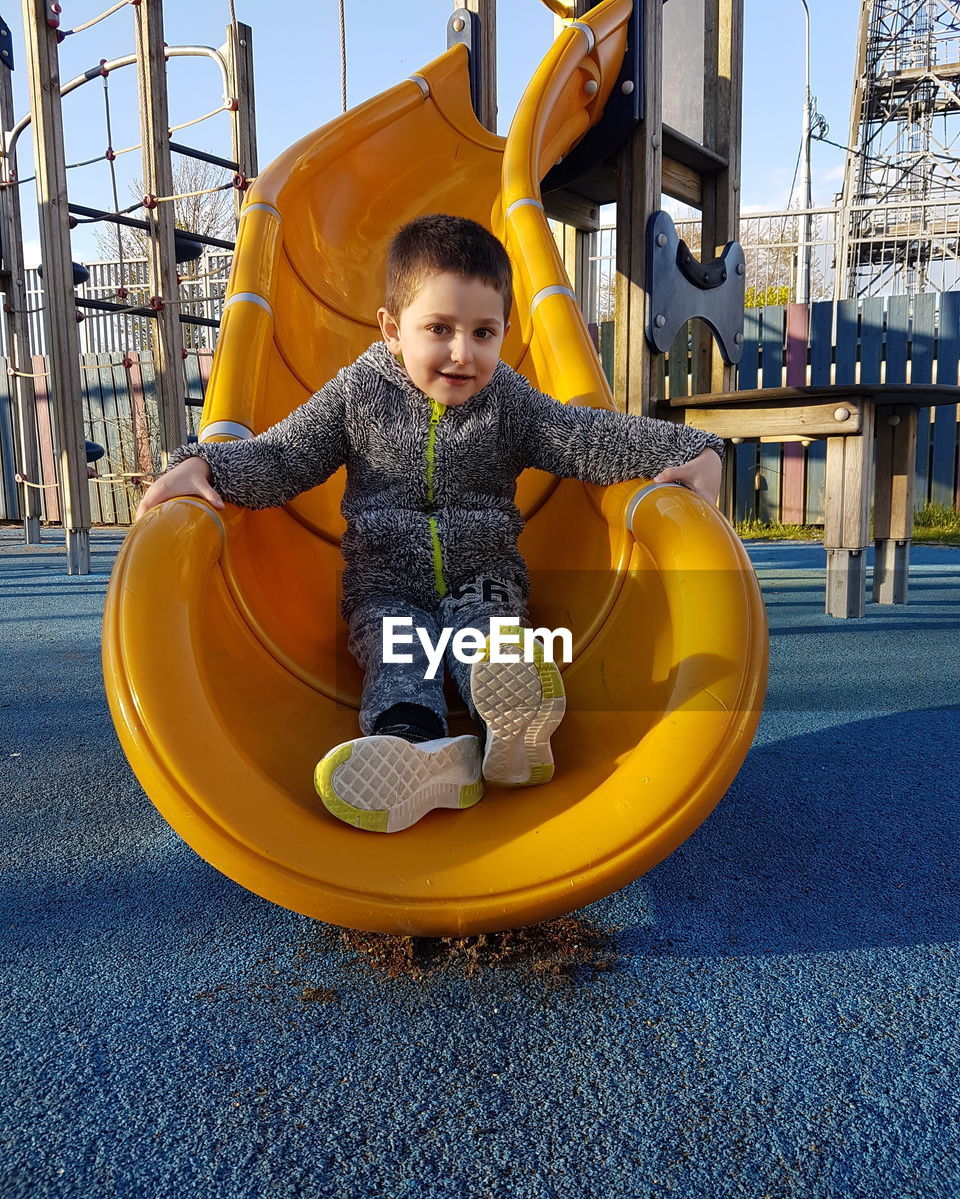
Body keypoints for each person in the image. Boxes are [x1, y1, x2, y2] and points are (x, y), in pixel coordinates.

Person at [138, 214, 723, 834]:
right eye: (438, 329)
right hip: (387, 586)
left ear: (505, 334)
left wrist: (689, 448)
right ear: (392, 330)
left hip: (484, 577)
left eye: (484, 332)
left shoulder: (510, 402)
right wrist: (202, 464)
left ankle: (511, 721)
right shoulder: (357, 396)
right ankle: (416, 750)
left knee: (489, 636)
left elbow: (585, 438)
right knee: (402, 654)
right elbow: (285, 455)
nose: (462, 353)